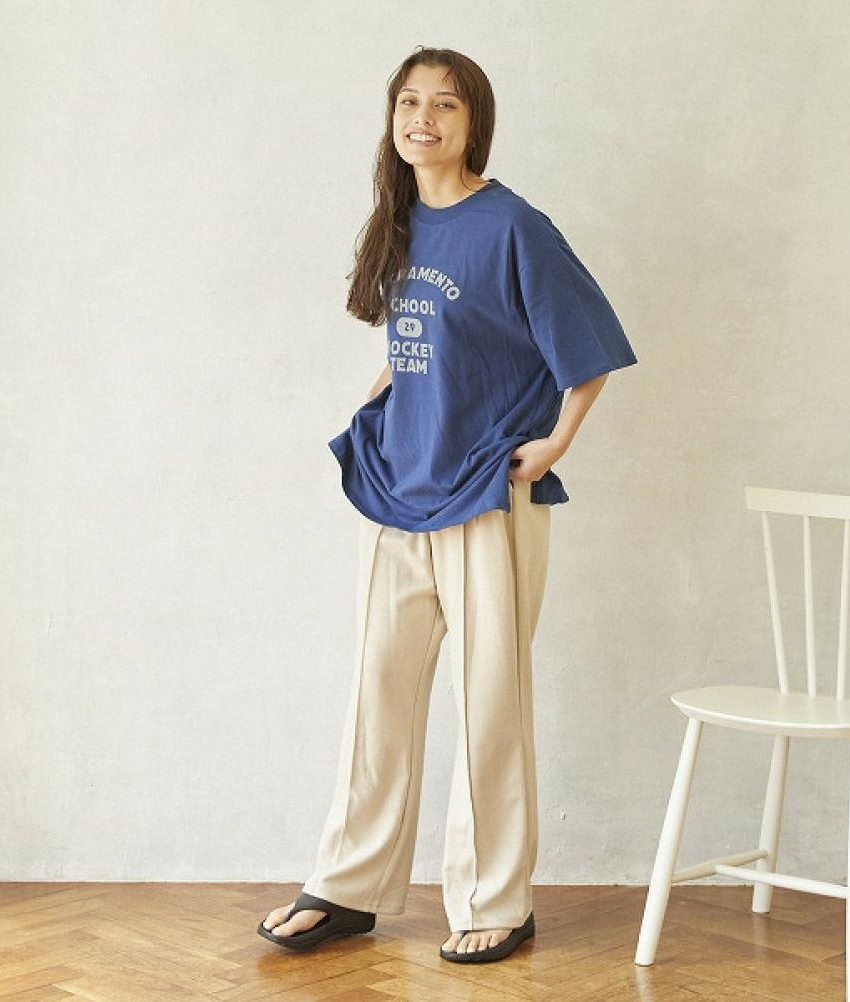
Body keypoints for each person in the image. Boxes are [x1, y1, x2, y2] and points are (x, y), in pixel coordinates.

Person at [258, 45, 637, 963]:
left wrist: (554, 443)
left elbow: (588, 350)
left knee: (488, 703)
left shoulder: (514, 226)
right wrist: (381, 401)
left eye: (445, 105)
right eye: (409, 102)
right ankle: (348, 886)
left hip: (485, 493)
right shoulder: (398, 222)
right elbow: (417, 340)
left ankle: (495, 899)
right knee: (377, 695)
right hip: (397, 484)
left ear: (474, 125)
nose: (422, 119)